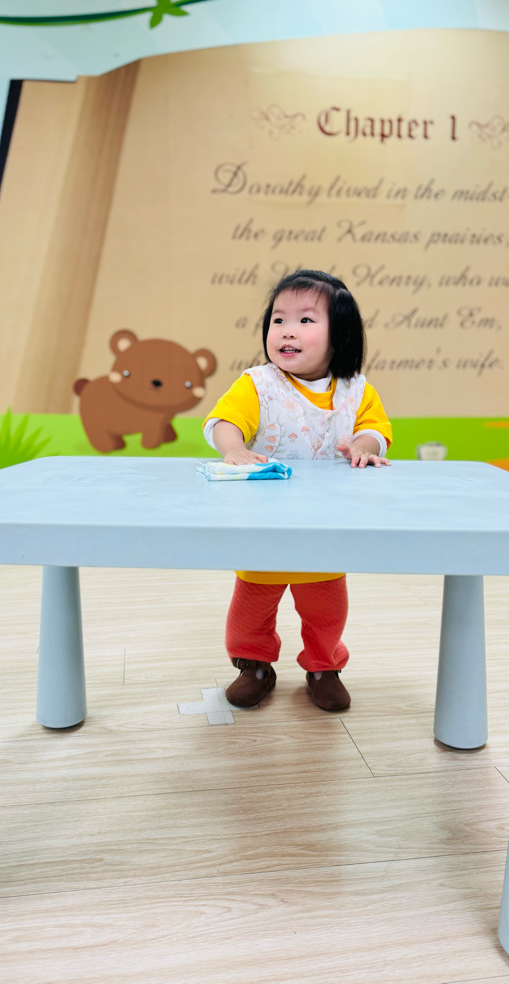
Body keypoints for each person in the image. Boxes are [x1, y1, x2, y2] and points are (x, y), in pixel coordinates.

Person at [203, 269, 392, 712]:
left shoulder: (357, 390)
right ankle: (254, 666)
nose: (287, 330)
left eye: (305, 320)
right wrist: (234, 448)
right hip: (263, 522)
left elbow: (376, 431)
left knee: (327, 608)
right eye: (278, 320)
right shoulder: (258, 384)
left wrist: (364, 446)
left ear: (340, 335)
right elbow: (224, 421)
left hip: (326, 524)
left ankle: (324, 667)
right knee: (251, 606)